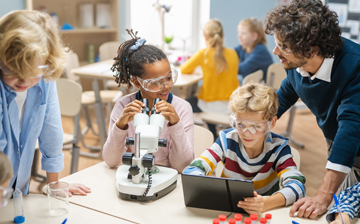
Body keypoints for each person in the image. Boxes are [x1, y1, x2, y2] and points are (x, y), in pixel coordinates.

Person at [264, 0, 360, 219]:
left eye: (284, 47)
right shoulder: (296, 64)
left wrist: (324, 194)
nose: (275, 51)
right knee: (341, 212)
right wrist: (261, 120)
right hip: (340, 144)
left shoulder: (355, 66)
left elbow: (351, 128)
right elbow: (288, 91)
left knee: (343, 208)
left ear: (313, 49)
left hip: (353, 139)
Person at [0, 10, 91, 196]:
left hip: (17, 188)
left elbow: (51, 128)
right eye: (13, 71)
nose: (24, 81)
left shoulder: (45, 77)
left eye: (33, 71)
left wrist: (54, 183)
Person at [183, 83, 306, 215]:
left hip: (262, 215)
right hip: (228, 212)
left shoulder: (278, 149)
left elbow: (298, 186)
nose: (247, 133)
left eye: (256, 126)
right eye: (240, 124)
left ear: (272, 123)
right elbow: (193, 169)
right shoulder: (227, 140)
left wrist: (266, 203)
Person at [102, 29, 194, 173]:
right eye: (156, 82)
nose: (166, 86)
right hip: (135, 175)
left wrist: (175, 124)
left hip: (169, 177)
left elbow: (183, 166)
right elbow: (111, 161)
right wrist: (120, 126)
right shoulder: (123, 106)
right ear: (137, 83)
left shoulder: (182, 108)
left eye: (169, 78)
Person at [180, 19, 239, 137]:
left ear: (205, 36)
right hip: (231, 105)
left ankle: (211, 133)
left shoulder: (203, 54)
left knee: (183, 104)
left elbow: (183, 69)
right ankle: (218, 133)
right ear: (222, 35)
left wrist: (198, 71)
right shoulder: (233, 53)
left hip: (208, 106)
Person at [234, 18, 273, 83]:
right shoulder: (243, 47)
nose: (239, 36)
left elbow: (242, 69)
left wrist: (223, 66)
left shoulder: (260, 51)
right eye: (239, 33)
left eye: (243, 33)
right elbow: (231, 54)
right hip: (251, 85)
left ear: (254, 36)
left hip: (260, 89)